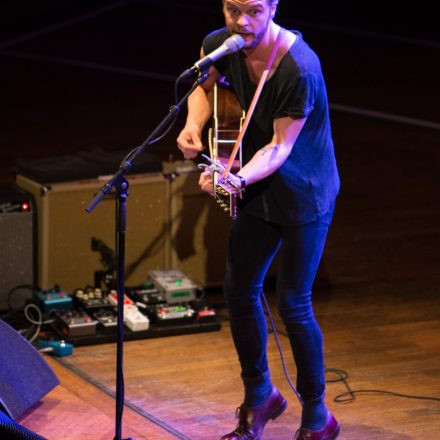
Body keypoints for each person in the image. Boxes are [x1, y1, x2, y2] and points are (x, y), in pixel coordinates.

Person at [176, 0, 340, 439]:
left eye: (252, 11)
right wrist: (194, 124)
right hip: (258, 188)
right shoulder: (221, 44)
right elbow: (202, 87)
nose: (241, 22)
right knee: (239, 288)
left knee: (294, 303)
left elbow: (279, 148)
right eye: (232, 9)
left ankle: (318, 418)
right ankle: (260, 395)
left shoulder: (298, 67)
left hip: (305, 191)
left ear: (273, 7)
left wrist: (233, 178)